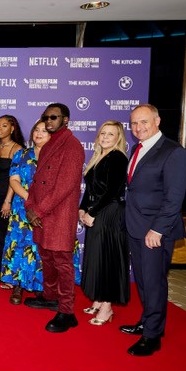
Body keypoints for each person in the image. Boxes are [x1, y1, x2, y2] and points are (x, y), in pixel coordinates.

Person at [121, 104, 186, 356]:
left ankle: (153, 335)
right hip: (136, 227)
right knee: (143, 281)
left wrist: (158, 231)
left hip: (155, 233)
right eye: (134, 124)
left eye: (144, 122)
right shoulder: (139, 149)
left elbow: (174, 198)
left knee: (154, 283)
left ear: (157, 120)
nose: (138, 128)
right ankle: (147, 321)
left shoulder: (174, 153)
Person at [25, 103, 84, 333]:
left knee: (62, 263)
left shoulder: (72, 146)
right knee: (46, 258)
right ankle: (51, 297)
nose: (48, 121)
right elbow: (37, 180)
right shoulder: (51, 143)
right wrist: (30, 206)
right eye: (45, 117)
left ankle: (67, 312)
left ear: (66, 120)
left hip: (58, 216)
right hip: (40, 214)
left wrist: (37, 211)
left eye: (54, 117)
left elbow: (64, 187)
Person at [79, 121, 130, 325]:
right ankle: (99, 299)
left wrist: (92, 212)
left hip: (109, 214)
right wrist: (82, 208)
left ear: (118, 138)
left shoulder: (117, 158)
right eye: (103, 133)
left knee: (107, 259)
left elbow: (111, 191)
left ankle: (107, 306)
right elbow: (91, 189)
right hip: (96, 212)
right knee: (97, 257)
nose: (106, 137)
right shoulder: (98, 157)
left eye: (111, 134)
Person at [0, 120, 50, 305]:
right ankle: (18, 286)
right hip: (22, 208)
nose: (38, 133)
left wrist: (40, 204)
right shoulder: (21, 154)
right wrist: (30, 199)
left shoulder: (55, 156)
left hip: (46, 209)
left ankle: (39, 286)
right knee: (19, 245)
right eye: (36, 129)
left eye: (43, 131)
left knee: (40, 247)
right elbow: (14, 180)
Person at [0, 115, 24, 286]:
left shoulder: (18, 149)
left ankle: (7, 274)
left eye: (4, 125)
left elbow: (15, 178)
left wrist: (8, 201)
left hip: (7, 198)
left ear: (12, 128)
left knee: (4, 236)